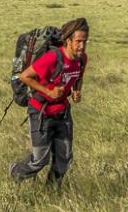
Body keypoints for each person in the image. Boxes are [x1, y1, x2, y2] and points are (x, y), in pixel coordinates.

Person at [11, 17, 87, 186]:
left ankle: (52, 191)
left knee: (65, 158)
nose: (82, 46)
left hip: (63, 112)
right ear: (68, 41)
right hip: (41, 112)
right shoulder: (53, 57)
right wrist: (48, 91)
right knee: (39, 160)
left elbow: (77, 77)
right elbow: (24, 76)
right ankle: (15, 172)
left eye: (85, 41)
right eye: (78, 41)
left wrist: (76, 91)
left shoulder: (82, 59)